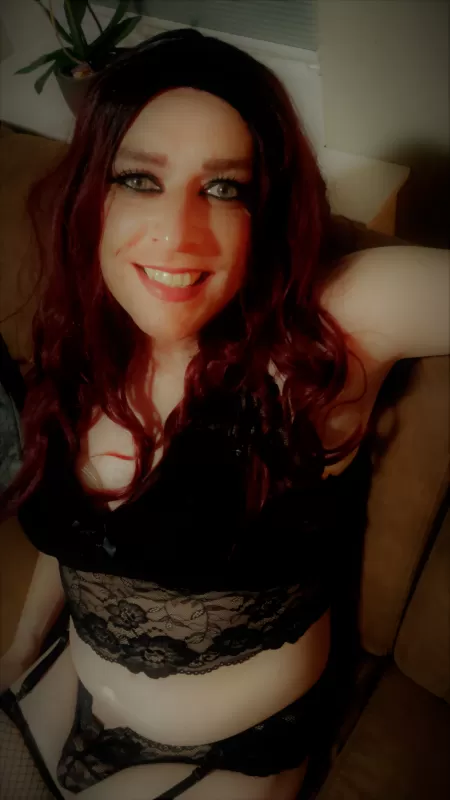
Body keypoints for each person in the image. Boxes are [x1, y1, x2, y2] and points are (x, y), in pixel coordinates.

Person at [0, 27, 448, 800]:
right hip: (67, 687)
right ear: (92, 197)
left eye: (224, 188)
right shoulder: (87, 341)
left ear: (265, 213)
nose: (177, 234)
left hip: (225, 760)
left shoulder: (323, 339)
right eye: (139, 179)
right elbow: (78, 541)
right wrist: (20, 647)